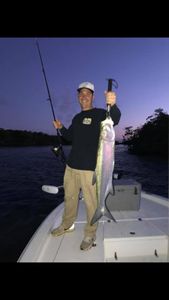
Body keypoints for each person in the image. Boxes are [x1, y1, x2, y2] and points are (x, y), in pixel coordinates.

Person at [51, 81, 121, 251]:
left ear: (93, 96)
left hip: (91, 169)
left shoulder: (99, 114)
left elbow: (115, 118)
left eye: (87, 93)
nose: (84, 96)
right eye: (81, 93)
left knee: (91, 204)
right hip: (71, 167)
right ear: (78, 97)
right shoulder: (76, 118)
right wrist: (61, 128)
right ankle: (67, 224)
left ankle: (90, 233)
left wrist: (113, 104)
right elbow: (70, 138)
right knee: (70, 198)